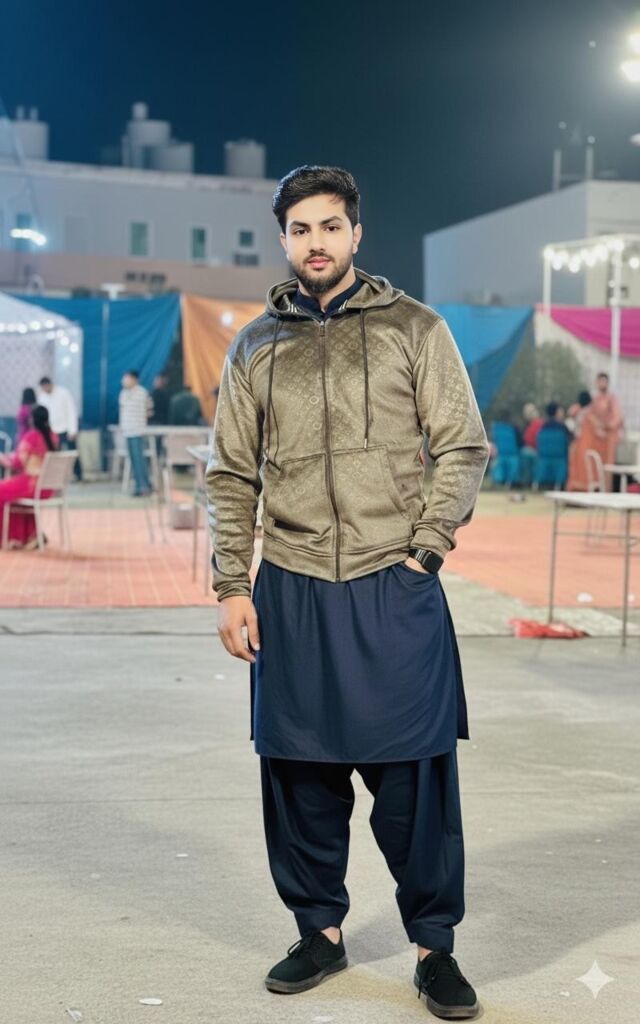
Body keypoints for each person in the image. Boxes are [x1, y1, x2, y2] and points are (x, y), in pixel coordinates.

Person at [206, 165, 490, 1019]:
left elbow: (463, 445)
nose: (317, 242)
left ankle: (434, 947)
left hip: (390, 581)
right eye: (301, 229)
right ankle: (319, 933)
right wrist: (232, 584)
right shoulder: (256, 346)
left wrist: (426, 550)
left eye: (331, 226)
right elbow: (230, 474)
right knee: (299, 774)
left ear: (356, 233)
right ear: (285, 239)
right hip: (291, 586)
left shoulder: (415, 328)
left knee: (413, 779)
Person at [0, 405, 58, 549]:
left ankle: (12, 537)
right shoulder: (53, 436)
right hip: (47, 488)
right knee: (12, 496)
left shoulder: (31, 437)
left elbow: (16, 463)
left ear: (32, 420)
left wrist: (2, 458)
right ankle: (29, 536)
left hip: (31, 485)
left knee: (2, 491)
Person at [566, 374, 624, 491]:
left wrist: (605, 427)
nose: (602, 384)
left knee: (605, 466)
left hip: (606, 439)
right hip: (591, 439)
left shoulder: (611, 399)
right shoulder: (593, 401)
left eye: (604, 381)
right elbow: (575, 411)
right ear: (597, 382)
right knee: (588, 464)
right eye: (600, 381)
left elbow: (617, 418)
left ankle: (605, 490)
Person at [37, 376, 82, 481]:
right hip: (51, 431)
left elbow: (71, 411)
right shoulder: (42, 397)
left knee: (72, 452)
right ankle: (58, 477)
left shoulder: (63, 393)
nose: (45, 389)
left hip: (65, 428)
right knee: (55, 455)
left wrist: (73, 430)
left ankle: (78, 474)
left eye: (46, 387)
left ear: (49, 384)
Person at [118, 370, 153, 496]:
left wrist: (142, 423)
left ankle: (143, 487)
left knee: (139, 460)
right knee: (133, 460)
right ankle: (141, 485)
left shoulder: (142, 392)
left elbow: (149, 410)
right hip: (127, 431)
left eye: (127, 378)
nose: (124, 381)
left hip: (138, 431)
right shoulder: (123, 393)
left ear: (134, 379)